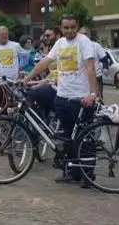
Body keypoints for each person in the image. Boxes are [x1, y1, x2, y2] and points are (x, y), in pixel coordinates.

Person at [24, 13, 99, 187]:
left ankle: (88, 176)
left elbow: (90, 67)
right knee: (68, 137)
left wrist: (93, 94)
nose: (70, 30)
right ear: (61, 28)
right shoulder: (59, 43)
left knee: (85, 138)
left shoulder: (83, 42)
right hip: (62, 97)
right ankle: (73, 173)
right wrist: (27, 78)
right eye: (66, 27)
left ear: (77, 25)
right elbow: (45, 62)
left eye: (73, 27)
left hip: (81, 98)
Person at [79, 27, 110, 101]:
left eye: (85, 33)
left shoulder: (96, 45)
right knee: (83, 98)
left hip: (96, 76)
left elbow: (104, 58)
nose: (83, 35)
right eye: (81, 34)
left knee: (97, 99)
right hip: (82, 78)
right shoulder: (76, 46)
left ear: (89, 35)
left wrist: (105, 68)